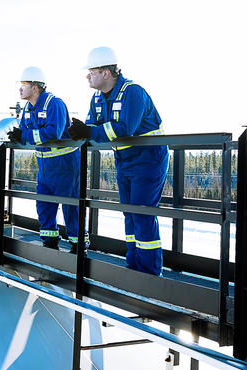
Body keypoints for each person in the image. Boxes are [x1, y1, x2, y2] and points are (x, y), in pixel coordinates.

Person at [68, 47, 167, 276]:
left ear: (106, 73)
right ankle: (133, 267)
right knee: (129, 214)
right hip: (124, 160)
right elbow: (92, 127)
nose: (87, 75)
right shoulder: (97, 98)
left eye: (91, 71)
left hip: (149, 159)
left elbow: (124, 128)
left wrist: (90, 132)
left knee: (142, 214)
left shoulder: (132, 92)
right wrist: (81, 131)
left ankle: (150, 274)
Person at [7, 67, 86, 253]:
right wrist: (19, 136)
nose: (20, 89)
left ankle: (78, 246)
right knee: (44, 205)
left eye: (23, 85)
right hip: (44, 167)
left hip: (64, 164)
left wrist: (24, 134)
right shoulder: (28, 108)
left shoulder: (54, 104)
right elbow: (27, 131)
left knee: (70, 206)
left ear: (35, 87)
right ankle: (50, 243)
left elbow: (53, 133)